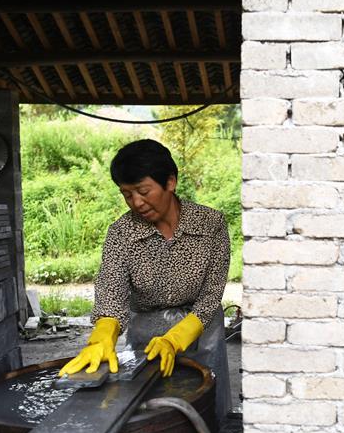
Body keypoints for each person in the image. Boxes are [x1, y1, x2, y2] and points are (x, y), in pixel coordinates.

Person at [59, 138, 232, 418]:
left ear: (170, 182)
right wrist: (102, 337)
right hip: (146, 332)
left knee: (206, 402)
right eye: (127, 194)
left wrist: (175, 339)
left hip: (201, 327)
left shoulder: (210, 224)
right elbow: (111, 290)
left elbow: (212, 293)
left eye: (143, 191)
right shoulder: (121, 233)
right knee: (152, 410)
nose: (136, 202)